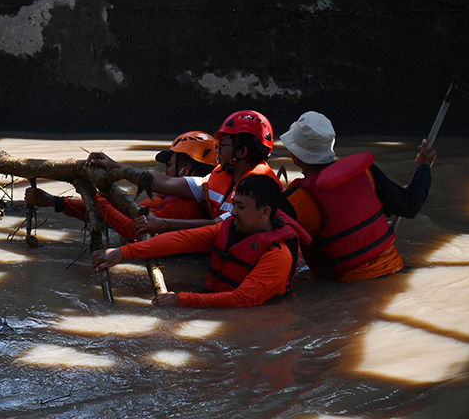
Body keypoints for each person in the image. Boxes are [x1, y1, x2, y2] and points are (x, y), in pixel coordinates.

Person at [91, 174, 310, 308]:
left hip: (255, 321)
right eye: (234, 204)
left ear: (265, 212)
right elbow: (181, 239)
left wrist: (182, 300)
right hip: (215, 302)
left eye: (241, 207)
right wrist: (122, 252)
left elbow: (242, 300)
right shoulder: (228, 229)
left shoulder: (278, 255)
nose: (232, 212)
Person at [278, 111, 436, 282]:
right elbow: (410, 205)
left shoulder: (297, 200)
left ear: (294, 157)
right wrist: (424, 166)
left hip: (347, 291)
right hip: (395, 271)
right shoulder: (366, 172)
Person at [87, 110, 282, 237]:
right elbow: (164, 182)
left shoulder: (258, 190)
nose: (219, 149)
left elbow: (216, 227)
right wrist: (114, 166)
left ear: (242, 152)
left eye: (224, 144)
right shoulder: (221, 175)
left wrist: (162, 224)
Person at [24, 131, 217, 241]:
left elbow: (134, 232)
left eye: (168, 166)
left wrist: (97, 197)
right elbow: (120, 211)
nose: (165, 172)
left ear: (184, 172)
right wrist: (52, 201)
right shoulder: (171, 199)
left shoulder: (184, 207)